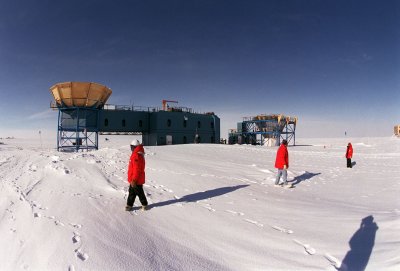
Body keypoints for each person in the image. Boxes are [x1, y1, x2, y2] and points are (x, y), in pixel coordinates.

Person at [126, 139, 148, 211]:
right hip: (134, 178)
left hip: (136, 179)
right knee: (132, 192)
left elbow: (137, 169)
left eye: (132, 147)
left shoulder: (136, 155)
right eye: (131, 147)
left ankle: (144, 204)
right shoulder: (137, 153)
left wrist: (134, 180)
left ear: (135, 147)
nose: (131, 148)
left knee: (139, 192)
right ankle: (129, 205)